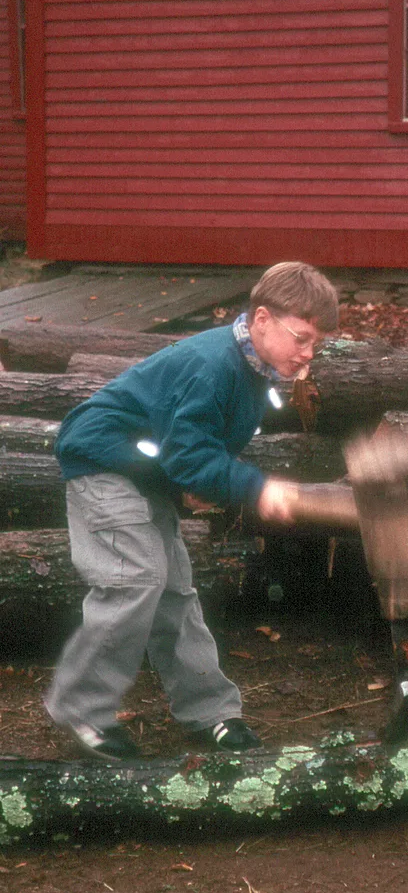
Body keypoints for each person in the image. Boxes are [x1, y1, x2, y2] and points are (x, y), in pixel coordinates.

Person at [45, 261, 339, 761]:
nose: (309, 354)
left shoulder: (252, 369)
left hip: (146, 471)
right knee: (134, 579)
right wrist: (254, 487)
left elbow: (193, 448)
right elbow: (191, 455)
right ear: (262, 319)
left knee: (175, 592)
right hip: (104, 462)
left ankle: (209, 712)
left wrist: (203, 484)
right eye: (302, 337)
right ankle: (80, 705)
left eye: (318, 344)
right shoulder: (214, 364)